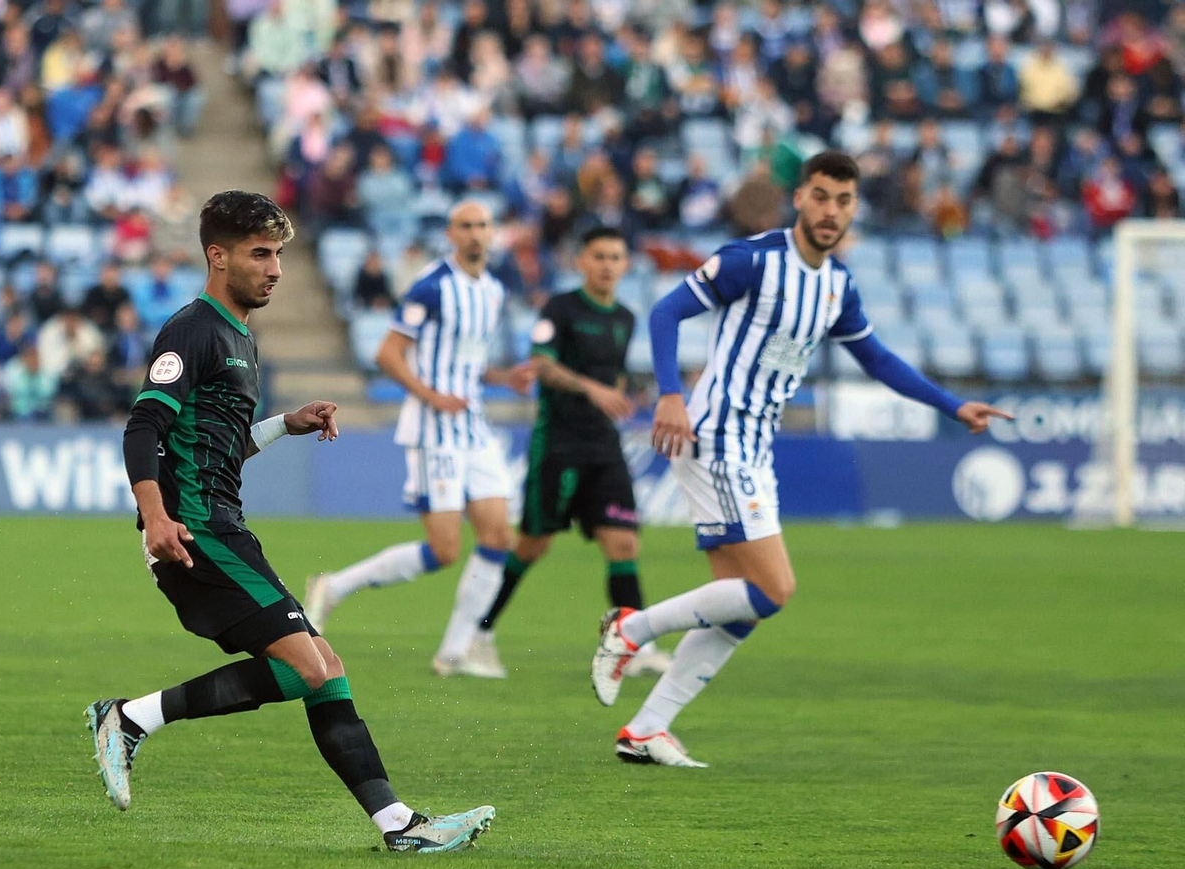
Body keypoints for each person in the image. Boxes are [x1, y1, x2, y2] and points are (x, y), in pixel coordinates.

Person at [90, 190, 495, 853]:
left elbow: (218, 444)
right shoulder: (192, 328)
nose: (275, 268)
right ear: (217, 256)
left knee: (324, 666)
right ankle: (128, 718)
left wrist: (285, 424)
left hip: (224, 526)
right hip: (194, 531)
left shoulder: (242, 337)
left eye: (279, 254)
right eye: (260, 254)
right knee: (311, 666)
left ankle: (398, 825)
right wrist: (155, 515)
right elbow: (145, 425)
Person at [590, 152, 1011, 768]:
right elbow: (665, 312)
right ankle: (631, 630)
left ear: (853, 207)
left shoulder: (837, 284)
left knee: (738, 602)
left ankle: (648, 728)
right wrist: (671, 397)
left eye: (843, 201)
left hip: (753, 449)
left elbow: (877, 359)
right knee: (773, 588)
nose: (831, 211)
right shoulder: (751, 260)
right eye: (820, 196)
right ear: (800, 199)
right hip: (716, 436)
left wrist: (952, 406)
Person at [304, 200, 536, 676]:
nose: (475, 234)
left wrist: (502, 376)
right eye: (466, 226)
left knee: (499, 535)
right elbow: (388, 353)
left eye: (483, 225)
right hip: (435, 428)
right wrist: (431, 395)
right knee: (445, 550)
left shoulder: (492, 290)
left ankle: (457, 650)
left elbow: (464, 360)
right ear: (451, 234)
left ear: (494, 234)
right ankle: (335, 586)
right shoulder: (433, 287)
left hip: (473, 424)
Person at [472, 227, 671, 679]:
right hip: (558, 442)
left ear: (625, 265)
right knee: (532, 544)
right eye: (598, 255)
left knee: (623, 542)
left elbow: (615, 378)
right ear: (581, 261)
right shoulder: (559, 308)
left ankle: (633, 643)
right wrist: (594, 390)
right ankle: (479, 632)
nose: (606, 264)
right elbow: (540, 363)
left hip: (604, 444)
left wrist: (625, 394)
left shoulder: (625, 318)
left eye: (615, 257)